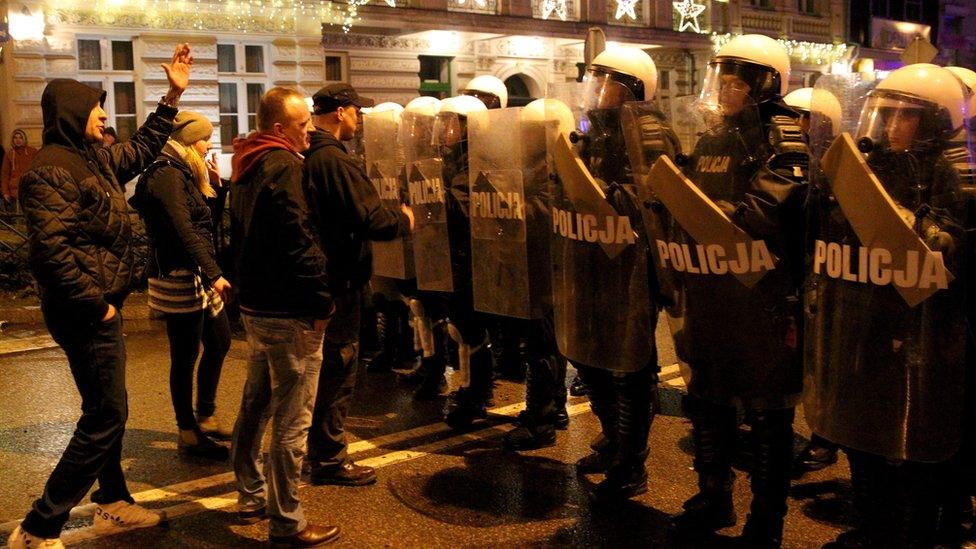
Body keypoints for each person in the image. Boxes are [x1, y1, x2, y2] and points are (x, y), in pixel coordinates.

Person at [6, 44, 192, 549]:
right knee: (106, 415)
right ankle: (39, 527)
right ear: (71, 113)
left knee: (106, 408)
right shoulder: (51, 168)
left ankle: (111, 501)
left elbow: (141, 148)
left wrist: (172, 97)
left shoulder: (90, 159)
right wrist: (98, 305)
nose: (105, 115)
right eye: (96, 107)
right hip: (84, 312)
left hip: (95, 307)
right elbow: (51, 254)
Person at [804, 64, 972, 549]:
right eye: (886, 115)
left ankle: (911, 534)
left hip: (919, 330)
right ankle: (875, 526)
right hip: (865, 317)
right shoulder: (873, 165)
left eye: (905, 118)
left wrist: (902, 221)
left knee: (914, 453)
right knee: (864, 438)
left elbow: (951, 246)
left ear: (934, 123)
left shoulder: (951, 174)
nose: (891, 127)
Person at [665, 35, 806, 548]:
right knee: (708, 398)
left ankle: (765, 522)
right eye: (720, 82)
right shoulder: (713, 138)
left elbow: (764, 210)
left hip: (764, 293)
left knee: (768, 414)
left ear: (762, 85)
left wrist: (709, 214)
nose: (724, 93)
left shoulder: (784, 137)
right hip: (711, 284)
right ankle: (713, 497)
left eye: (735, 83)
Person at [550, 46, 676, 500]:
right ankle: (612, 438)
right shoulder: (590, 130)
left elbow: (657, 198)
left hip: (634, 267)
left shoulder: (650, 131)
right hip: (591, 261)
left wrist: (602, 193)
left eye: (609, 82)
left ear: (634, 89)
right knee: (590, 356)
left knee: (632, 366)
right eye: (595, 80)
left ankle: (631, 463)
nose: (598, 89)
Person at [229, 86, 340, 547]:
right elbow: (301, 241)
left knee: (255, 404)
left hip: (256, 306)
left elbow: (232, 235)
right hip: (288, 310)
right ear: (280, 129)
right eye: (302, 123)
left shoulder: (245, 162)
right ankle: (287, 520)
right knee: (293, 418)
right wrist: (322, 304)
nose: (310, 129)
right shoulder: (285, 167)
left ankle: (250, 495)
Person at [303, 83, 413, 487]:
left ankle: (314, 452)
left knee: (323, 370)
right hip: (339, 281)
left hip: (322, 279)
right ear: (339, 112)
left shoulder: (308, 152)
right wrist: (403, 219)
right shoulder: (333, 159)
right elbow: (371, 218)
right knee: (338, 369)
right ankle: (329, 460)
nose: (360, 118)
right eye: (356, 111)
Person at [129, 110, 233, 461]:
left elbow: (204, 224)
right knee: (184, 356)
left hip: (198, 274)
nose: (208, 145)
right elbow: (183, 231)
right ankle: (188, 430)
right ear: (188, 140)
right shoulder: (167, 175)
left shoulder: (185, 172)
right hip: (177, 274)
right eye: (204, 138)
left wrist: (218, 189)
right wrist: (214, 273)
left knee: (219, 341)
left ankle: (206, 413)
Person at [1, 129, 38, 213]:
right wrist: (5, 192)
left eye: (20, 137)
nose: (18, 140)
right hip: (14, 191)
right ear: (12, 140)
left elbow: (37, 170)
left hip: (29, 189)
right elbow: (5, 175)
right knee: (16, 218)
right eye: (15, 138)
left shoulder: (32, 152)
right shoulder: (9, 154)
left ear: (24, 139)